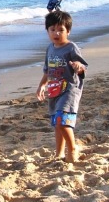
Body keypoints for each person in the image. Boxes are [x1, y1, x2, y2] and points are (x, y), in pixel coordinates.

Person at [36, 11, 88, 163]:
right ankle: (59, 153)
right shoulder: (50, 49)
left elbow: (82, 66)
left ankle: (72, 149)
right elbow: (47, 71)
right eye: (52, 29)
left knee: (62, 120)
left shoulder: (71, 48)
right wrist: (41, 86)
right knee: (56, 123)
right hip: (54, 90)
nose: (56, 33)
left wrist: (78, 67)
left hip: (69, 90)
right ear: (47, 31)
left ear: (68, 31)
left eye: (61, 30)